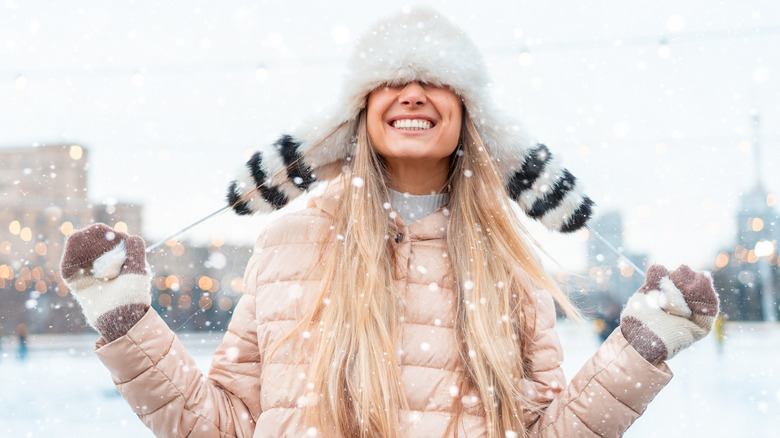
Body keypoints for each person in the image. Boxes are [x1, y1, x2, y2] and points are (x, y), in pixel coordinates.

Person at [59, 9, 719, 438]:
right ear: (360, 110)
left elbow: (547, 432)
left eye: (436, 81)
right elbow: (221, 426)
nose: (412, 93)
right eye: (391, 80)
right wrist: (127, 323)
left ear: (468, 115)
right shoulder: (288, 244)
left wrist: (639, 349)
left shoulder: (510, 267)